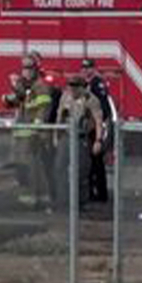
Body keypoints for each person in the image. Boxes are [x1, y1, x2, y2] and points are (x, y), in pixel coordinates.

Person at [7, 60, 58, 207]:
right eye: (24, 69)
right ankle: (38, 196)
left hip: (34, 134)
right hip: (24, 134)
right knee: (28, 166)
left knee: (33, 167)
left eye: (29, 69)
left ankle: (36, 197)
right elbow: (18, 100)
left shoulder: (40, 86)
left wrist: (38, 124)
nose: (26, 72)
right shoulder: (26, 87)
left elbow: (44, 107)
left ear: (35, 71)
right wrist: (12, 90)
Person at [56, 75, 106, 207]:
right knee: (60, 167)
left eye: (76, 87)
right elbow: (59, 115)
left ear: (83, 88)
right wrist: (56, 136)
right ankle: (63, 199)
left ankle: (81, 202)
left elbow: (98, 121)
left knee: (81, 170)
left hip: (81, 138)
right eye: (70, 87)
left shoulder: (91, 100)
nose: (73, 90)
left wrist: (98, 140)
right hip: (66, 136)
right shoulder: (65, 97)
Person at [80, 58, 116, 203]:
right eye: (83, 68)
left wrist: (101, 129)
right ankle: (93, 192)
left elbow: (103, 108)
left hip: (97, 127)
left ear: (94, 68)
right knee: (91, 162)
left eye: (88, 68)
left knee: (96, 162)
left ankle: (100, 194)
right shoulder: (87, 84)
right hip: (89, 127)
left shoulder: (97, 84)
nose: (86, 70)